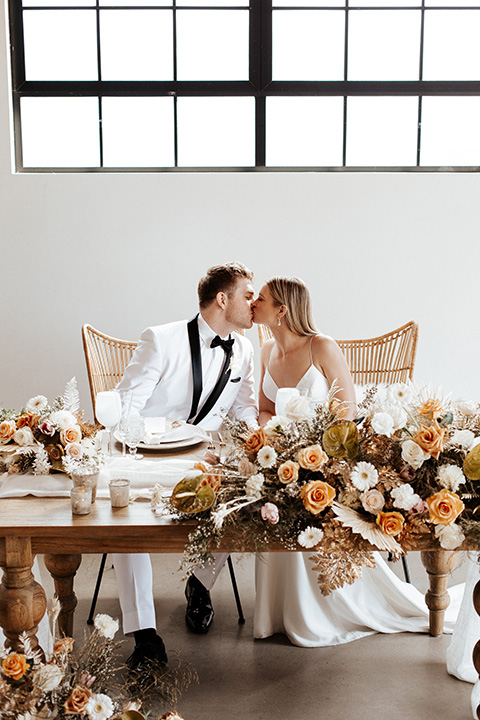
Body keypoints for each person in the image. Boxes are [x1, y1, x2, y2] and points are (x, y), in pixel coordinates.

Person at [251, 276, 462, 647]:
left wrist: (311, 449)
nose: (253, 302)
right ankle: (280, 612)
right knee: (271, 494)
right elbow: (265, 410)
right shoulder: (267, 352)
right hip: (282, 454)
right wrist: (275, 437)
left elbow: (347, 412)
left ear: (281, 310)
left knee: (300, 493)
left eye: (262, 298)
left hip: (328, 454)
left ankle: (325, 610)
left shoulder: (322, 346)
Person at [114, 262, 258, 671]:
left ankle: (200, 584)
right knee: (127, 521)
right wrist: (165, 433)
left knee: (247, 491)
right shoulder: (161, 338)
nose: (255, 302)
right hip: (151, 457)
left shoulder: (245, 348)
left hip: (207, 460)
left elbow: (245, 408)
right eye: (248, 294)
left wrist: (255, 441)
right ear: (222, 299)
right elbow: (126, 408)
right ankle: (144, 635)